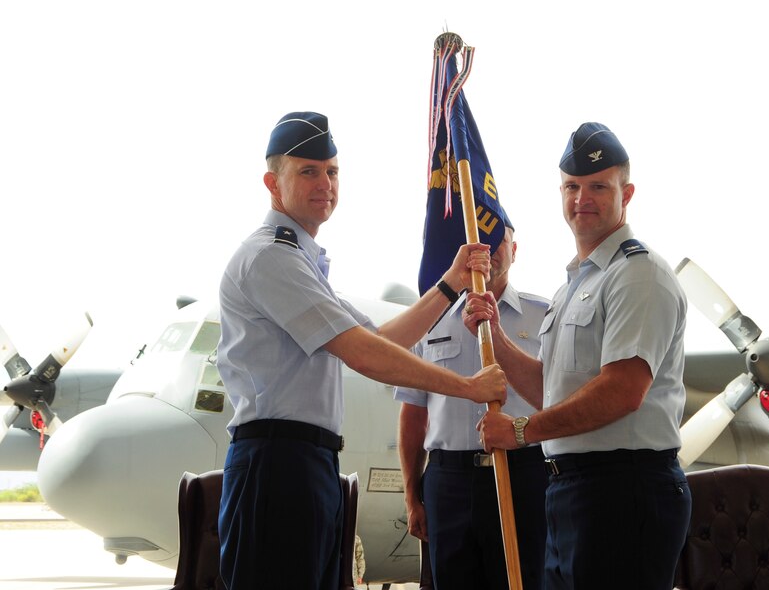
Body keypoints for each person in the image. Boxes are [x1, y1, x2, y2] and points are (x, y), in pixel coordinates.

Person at [216, 111, 507, 590]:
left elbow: (383, 339)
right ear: (273, 182)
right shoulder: (271, 257)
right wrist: (467, 387)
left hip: (307, 463)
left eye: (332, 171)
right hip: (276, 464)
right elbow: (364, 355)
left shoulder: (301, 261)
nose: (324, 182)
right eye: (307, 171)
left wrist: (451, 284)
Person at [468, 122, 692, 590]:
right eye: (572, 187)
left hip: (623, 490)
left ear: (626, 194)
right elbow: (552, 391)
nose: (581, 199)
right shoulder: (575, 285)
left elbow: (623, 391)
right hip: (573, 492)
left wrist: (520, 432)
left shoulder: (638, 274)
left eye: (597, 187)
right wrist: (496, 337)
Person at [395, 226, 549, 590]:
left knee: (524, 580)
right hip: (449, 482)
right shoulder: (430, 318)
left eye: (498, 240)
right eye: (478, 240)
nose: (489, 249)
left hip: (524, 474)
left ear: (515, 249)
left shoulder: (545, 316)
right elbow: (414, 413)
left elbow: (560, 398)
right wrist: (411, 495)